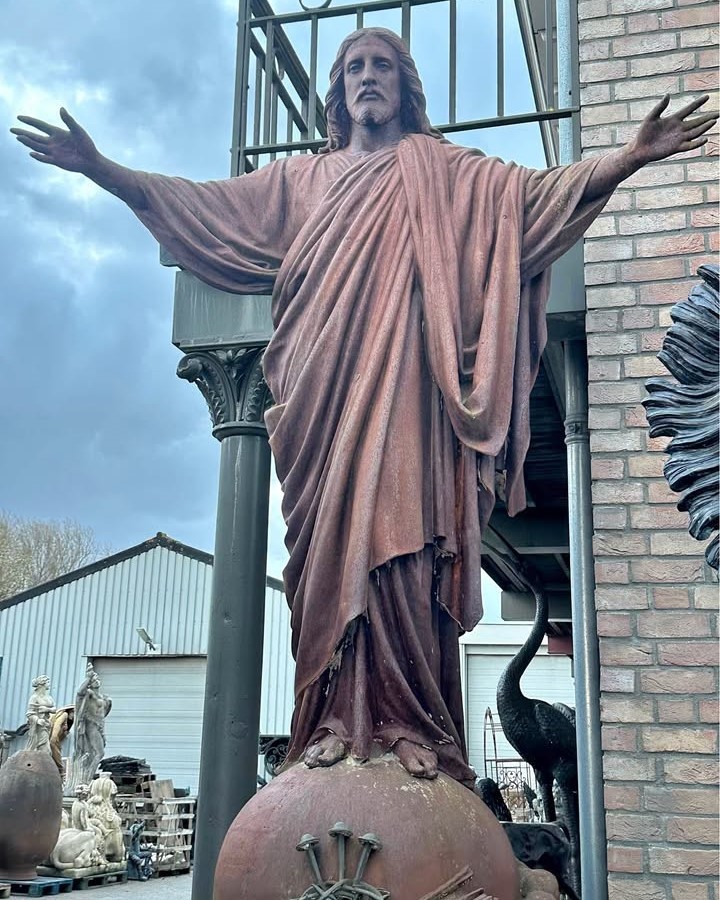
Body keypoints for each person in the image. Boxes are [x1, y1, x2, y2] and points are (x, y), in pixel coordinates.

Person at [12, 29, 716, 787]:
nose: (368, 77)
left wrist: (628, 158)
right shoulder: (299, 182)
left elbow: (530, 202)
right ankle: (328, 722)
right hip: (321, 408)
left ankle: (412, 723)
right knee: (323, 563)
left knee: (406, 551)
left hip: (408, 401)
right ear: (338, 91)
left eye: (382, 65)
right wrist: (103, 168)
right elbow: (200, 206)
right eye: (354, 67)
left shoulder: (447, 173)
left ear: (405, 84)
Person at [24, 674, 56, 753]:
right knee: (45, 750)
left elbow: (54, 709)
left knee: (44, 750)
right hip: (38, 727)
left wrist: (47, 709)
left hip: (46, 724)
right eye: (47, 682)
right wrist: (38, 720)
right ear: (42, 684)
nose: (49, 684)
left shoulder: (49, 698)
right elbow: (30, 713)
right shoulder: (34, 698)